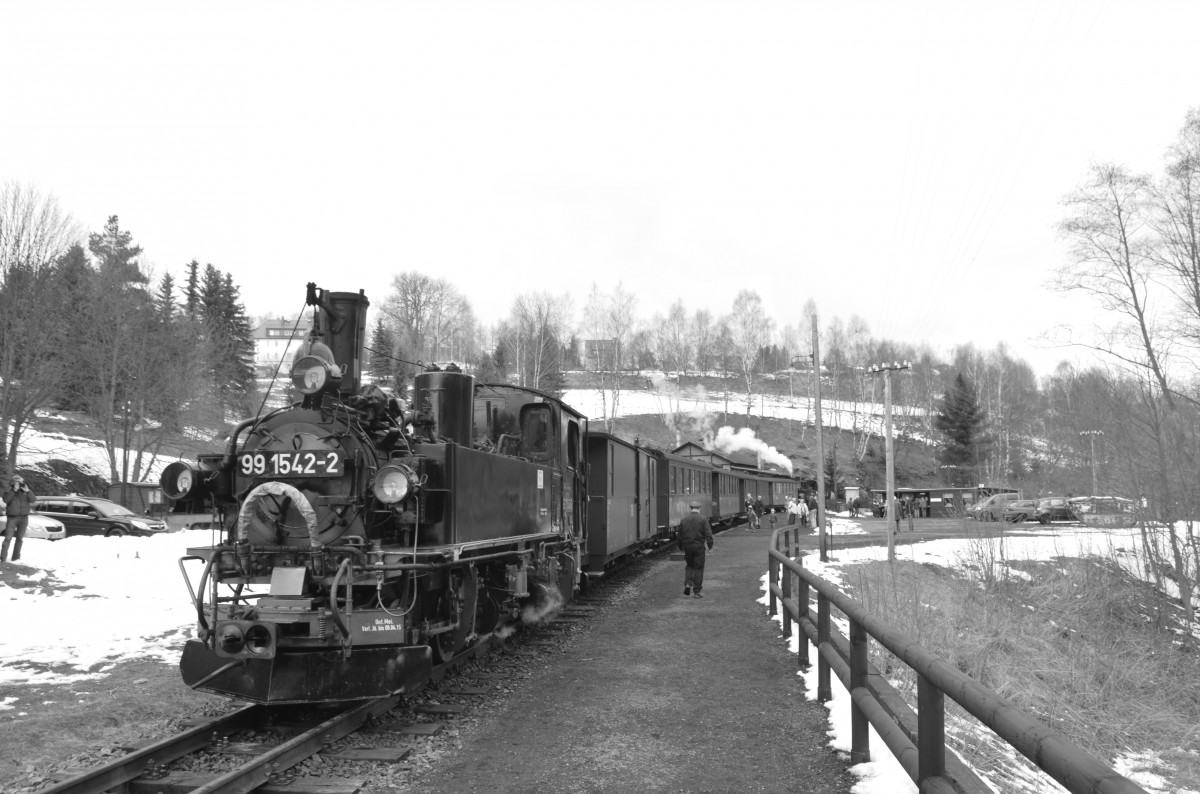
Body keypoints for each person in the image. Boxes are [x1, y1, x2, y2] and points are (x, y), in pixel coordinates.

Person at [678, 500, 714, 598]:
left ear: (690, 508)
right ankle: (697, 592)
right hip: (699, 547)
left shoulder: (684, 519)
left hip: (688, 547)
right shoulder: (703, 519)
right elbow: (708, 535)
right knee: (698, 568)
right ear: (700, 508)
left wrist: (681, 547)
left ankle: (688, 584)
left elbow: (680, 536)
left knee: (689, 566)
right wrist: (710, 546)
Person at [2, 475, 38, 563]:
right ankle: (2, 559)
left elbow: (33, 500)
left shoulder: (25, 491)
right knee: (8, 538)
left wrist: (28, 491)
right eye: (19, 482)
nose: (21, 484)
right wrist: (14, 490)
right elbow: (6, 500)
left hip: (24, 518)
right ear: (14, 482)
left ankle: (15, 558)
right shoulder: (8, 491)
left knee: (19, 539)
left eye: (22, 482)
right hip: (12, 518)